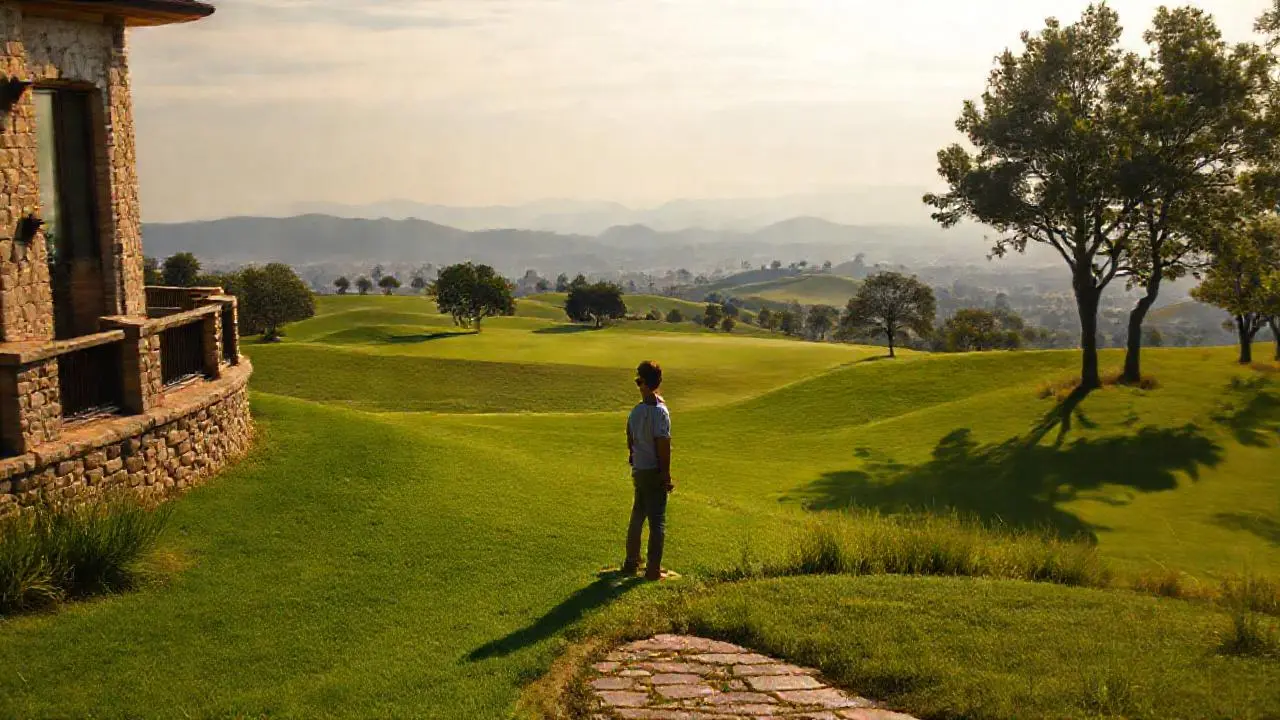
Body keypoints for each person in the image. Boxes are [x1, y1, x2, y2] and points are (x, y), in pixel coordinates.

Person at [623, 360, 674, 581]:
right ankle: (653, 569)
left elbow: (630, 439)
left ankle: (631, 562)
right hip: (653, 471)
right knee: (657, 520)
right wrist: (666, 475)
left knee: (638, 516)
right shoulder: (661, 413)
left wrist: (634, 456)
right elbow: (663, 445)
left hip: (639, 469)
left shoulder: (636, 411)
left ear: (644, 384)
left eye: (638, 381)